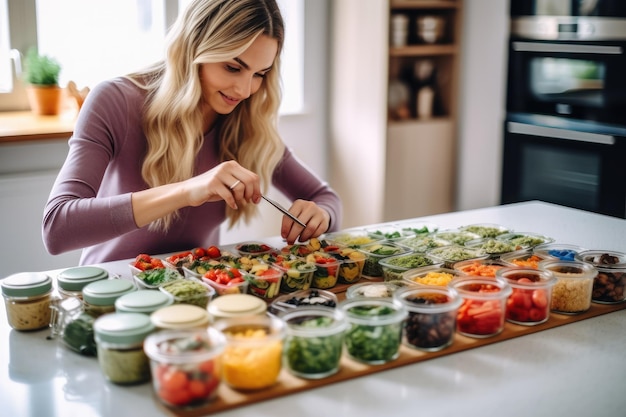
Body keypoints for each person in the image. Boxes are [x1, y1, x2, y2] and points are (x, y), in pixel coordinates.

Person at [42, 0, 342, 265]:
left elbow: (324, 197)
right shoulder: (116, 100)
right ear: (194, 47)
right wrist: (187, 191)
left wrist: (321, 215)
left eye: (260, 74)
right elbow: (57, 228)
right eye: (233, 67)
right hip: (109, 295)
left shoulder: (246, 121)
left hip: (195, 296)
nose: (245, 90)